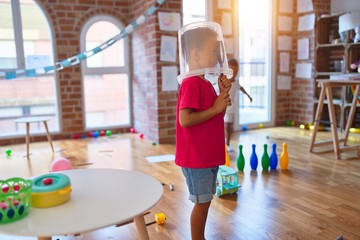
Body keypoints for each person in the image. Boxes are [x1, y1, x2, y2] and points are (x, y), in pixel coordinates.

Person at [176, 25, 232, 240]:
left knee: (205, 200)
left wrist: (223, 94)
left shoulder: (206, 83)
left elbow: (218, 114)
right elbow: (185, 119)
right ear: (196, 54)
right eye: (212, 51)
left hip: (207, 156)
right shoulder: (191, 83)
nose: (216, 56)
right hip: (196, 158)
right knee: (202, 202)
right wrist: (216, 108)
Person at [224, 58, 252, 152]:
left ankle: (227, 144)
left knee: (228, 127)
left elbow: (241, 88)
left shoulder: (236, 82)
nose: (234, 73)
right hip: (221, 107)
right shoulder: (223, 81)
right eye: (232, 71)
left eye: (236, 71)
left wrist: (248, 96)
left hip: (230, 108)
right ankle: (222, 143)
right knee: (221, 126)